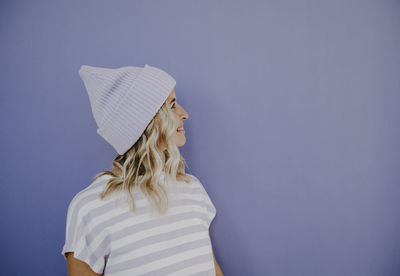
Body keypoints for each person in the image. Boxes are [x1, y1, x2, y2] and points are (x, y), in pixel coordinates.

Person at [61, 64, 223, 276]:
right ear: (147, 123)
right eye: (172, 105)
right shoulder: (90, 208)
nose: (185, 114)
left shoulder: (192, 189)